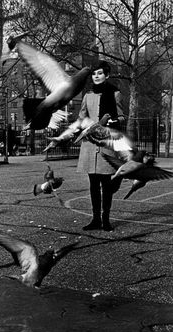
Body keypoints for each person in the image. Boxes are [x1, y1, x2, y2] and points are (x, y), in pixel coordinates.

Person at [76, 60, 125, 231]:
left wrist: (114, 121)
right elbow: (81, 118)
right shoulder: (87, 95)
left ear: (107, 75)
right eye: (94, 74)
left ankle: (106, 219)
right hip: (90, 144)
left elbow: (122, 117)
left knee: (106, 184)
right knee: (93, 184)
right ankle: (95, 219)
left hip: (105, 143)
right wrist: (83, 126)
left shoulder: (115, 94)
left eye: (100, 73)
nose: (96, 76)